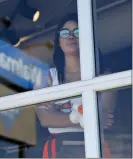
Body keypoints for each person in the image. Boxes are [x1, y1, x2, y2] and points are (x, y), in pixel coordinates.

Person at [36, 13, 115, 158]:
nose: (70, 36)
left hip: (95, 144)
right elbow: (46, 119)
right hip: (57, 148)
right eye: (65, 33)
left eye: (77, 32)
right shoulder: (46, 77)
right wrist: (85, 118)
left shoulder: (104, 75)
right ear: (58, 41)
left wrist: (60, 115)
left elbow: (104, 120)